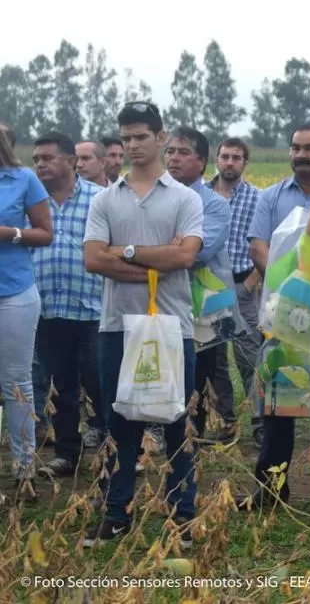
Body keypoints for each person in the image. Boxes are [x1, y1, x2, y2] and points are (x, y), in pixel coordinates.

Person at [82, 101, 203, 548]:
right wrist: (156, 258)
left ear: (160, 137)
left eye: (140, 137)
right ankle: (117, 514)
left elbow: (185, 256)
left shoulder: (184, 198)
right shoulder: (104, 198)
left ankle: (182, 517)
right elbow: (93, 258)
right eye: (125, 137)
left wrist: (125, 252)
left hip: (171, 327)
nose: (132, 145)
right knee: (119, 422)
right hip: (117, 326)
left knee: (175, 421)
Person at [241, 124, 310, 507]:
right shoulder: (271, 197)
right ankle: (271, 489)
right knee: (279, 403)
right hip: (284, 312)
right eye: (296, 148)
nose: (301, 155)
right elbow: (258, 247)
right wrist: (288, 285)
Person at [29, 132, 103, 478]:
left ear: (71, 161)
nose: (40, 164)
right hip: (47, 307)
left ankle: (113, 449)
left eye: (47, 157)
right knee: (61, 388)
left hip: (93, 308)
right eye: (36, 159)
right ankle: (67, 453)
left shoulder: (101, 199)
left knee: (101, 383)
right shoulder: (31, 201)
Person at [162, 127, 232, 443]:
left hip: (204, 300)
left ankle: (194, 437)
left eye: (183, 152)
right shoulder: (154, 197)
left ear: (202, 162)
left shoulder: (215, 205)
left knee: (200, 372)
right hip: (162, 293)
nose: (174, 158)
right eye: (170, 151)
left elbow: (197, 253)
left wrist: (166, 249)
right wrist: (173, 246)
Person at [0, 121, 53, 498]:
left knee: (16, 382)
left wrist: (9, 234)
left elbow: (44, 232)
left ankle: (24, 470)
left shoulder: (23, 179)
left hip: (13, 293)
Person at [208, 137, 264, 444]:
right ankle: (225, 421)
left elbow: (263, 242)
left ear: (245, 163)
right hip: (211, 287)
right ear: (216, 159)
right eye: (225, 156)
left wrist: (250, 286)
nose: (229, 162)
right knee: (215, 359)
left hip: (243, 285)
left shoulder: (257, 198)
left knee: (249, 357)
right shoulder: (201, 194)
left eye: (236, 157)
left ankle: (259, 422)